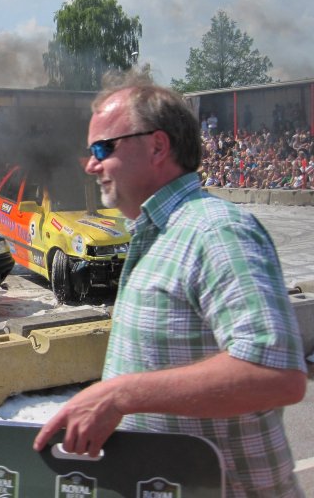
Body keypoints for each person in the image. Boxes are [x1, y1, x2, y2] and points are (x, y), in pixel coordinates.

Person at [32, 72, 307, 498]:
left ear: (157, 146)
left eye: (103, 148)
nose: (91, 164)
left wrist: (120, 395)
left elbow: (276, 375)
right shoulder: (160, 231)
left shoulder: (216, 232)